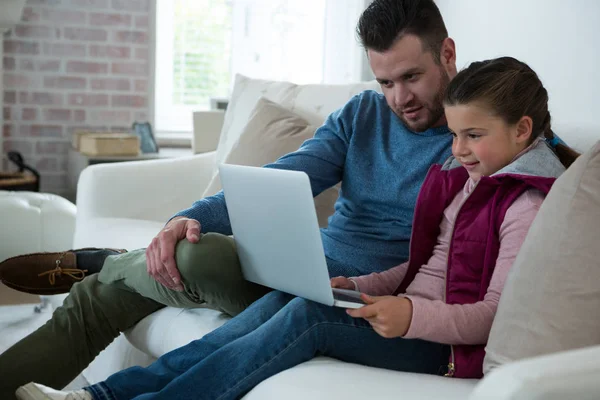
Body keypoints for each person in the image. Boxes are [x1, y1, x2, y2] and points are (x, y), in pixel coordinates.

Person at [16, 56, 580, 400]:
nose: (456, 151)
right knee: (293, 301)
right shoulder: (469, 178)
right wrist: (368, 288)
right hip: (403, 310)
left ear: (523, 129)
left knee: (302, 314)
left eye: (471, 137)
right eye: (455, 137)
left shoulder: (527, 203)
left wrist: (409, 314)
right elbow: (424, 267)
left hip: (448, 349)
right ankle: (104, 395)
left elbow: (490, 314)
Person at [0, 0, 459, 397]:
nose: (399, 98)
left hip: (346, 298)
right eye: (384, 82)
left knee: (188, 260)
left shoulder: (477, 143)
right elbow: (284, 177)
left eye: (411, 77)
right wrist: (186, 217)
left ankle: (107, 260)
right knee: (103, 293)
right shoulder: (364, 113)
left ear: (447, 54)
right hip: (294, 272)